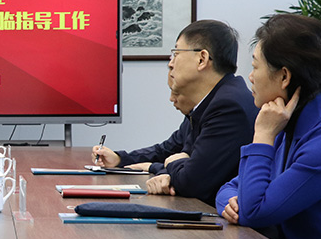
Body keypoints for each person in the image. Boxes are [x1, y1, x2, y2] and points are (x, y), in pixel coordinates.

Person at [217, 14, 321, 239]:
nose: (250, 77)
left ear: (284, 76)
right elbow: (230, 187)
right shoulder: (290, 121)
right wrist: (231, 203)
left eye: (255, 66)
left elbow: (255, 212)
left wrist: (262, 135)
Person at [93, 20, 259, 205]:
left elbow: (192, 181)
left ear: (202, 59)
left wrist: (165, 165)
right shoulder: (209, 101)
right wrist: (121, 159)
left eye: (176, 54)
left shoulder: (228, 106)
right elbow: (168, 149)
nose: (170, 63)